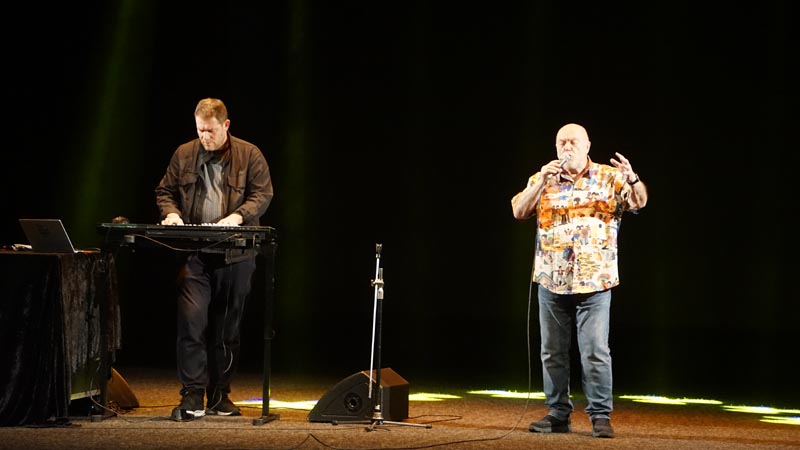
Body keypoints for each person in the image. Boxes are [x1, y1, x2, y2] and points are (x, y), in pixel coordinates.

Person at [510, 123, 647, 438]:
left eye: (573, 141)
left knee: (595, 351)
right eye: (561, 142)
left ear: (587, 146)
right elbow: (519, 211)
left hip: (594, 281)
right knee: (552, 352)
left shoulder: (609, 177)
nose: (566, 147)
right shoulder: (542, 178)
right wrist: (540, 182)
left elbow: (639, 203)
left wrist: (633, 179)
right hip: (551, 279)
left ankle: (600, 416)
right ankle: (558, 414)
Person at [155, 98, 274, 421]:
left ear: (226, 125)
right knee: (191, 323)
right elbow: (165, 191)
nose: (204, 136)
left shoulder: (250, 154)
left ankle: (220, 395)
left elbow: (263, 194)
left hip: (235, 254)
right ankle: (193, 394)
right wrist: (172, 213)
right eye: (200, 130)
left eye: (210, 130)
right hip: (194, 254)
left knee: (226, 329)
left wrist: (238, 216)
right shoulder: (184, 153)